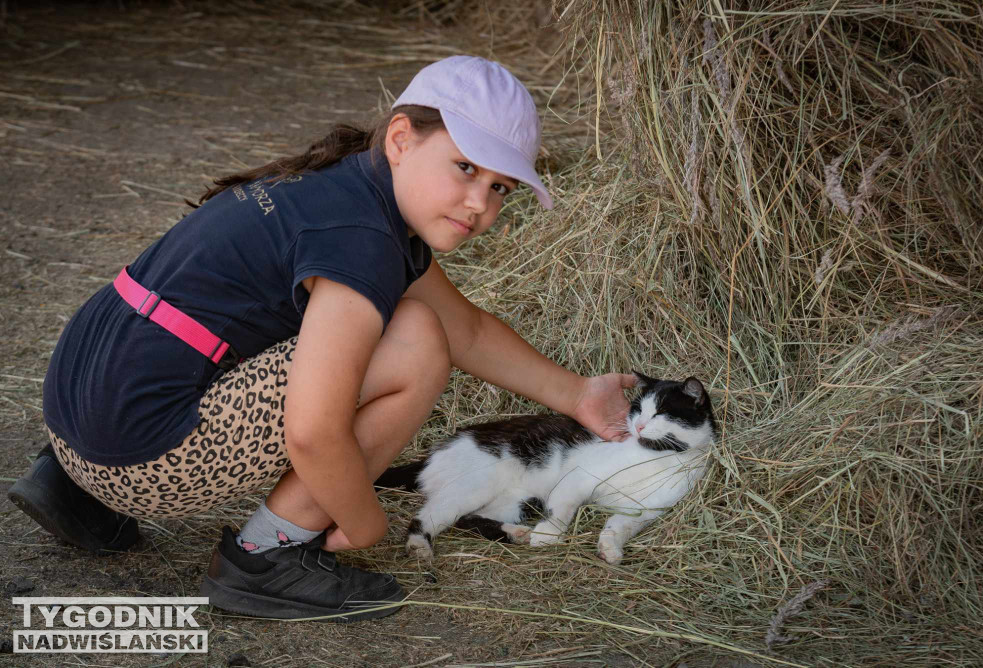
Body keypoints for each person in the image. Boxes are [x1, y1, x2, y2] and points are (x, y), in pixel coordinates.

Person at [7, 56, 636, 622]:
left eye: (498, 186)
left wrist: (578, 394)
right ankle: (265, 558)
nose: (479, 203)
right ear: (400, 139)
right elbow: (314, 429)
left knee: (412, 323)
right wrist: (364, 520)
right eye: (464, 167)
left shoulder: (342, 186)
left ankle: (70, 488)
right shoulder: (360, 241)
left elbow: (466, 326)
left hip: (75, 410)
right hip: (138, 453)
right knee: (415, 343)